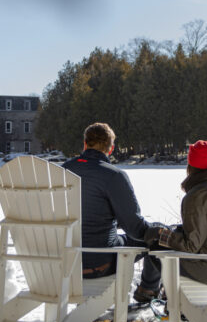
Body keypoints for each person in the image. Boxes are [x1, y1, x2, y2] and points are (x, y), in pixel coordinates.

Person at [62, 122, 163, 303]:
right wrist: (161, 231)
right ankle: (147, 291)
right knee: (157, 235)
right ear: (111, 149)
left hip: (63, 261)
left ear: (85, 144)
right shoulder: (113, 176)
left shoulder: (60, 171)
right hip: (99, 263)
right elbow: (135, 228)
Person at [144, 140, 207, 284]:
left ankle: (165, 297)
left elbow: (190, 246)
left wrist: (160, 234)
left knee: (155, 243)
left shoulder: (197, 196)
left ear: (190, 166)